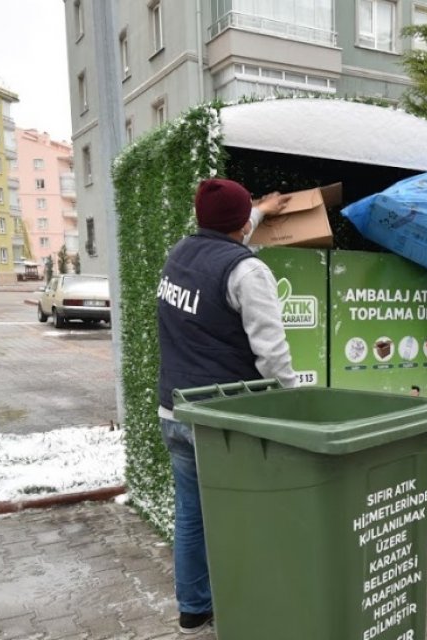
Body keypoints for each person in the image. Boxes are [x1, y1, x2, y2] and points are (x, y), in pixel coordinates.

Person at [156, 178, 296, 635]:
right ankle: (249, 605)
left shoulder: (179, 254)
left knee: (192, 514)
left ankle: (194, 610)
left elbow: (227, 233)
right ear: (239, 224)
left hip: (175, 411)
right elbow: (271, 354)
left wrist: (260, 210)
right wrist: (295, 403)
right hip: (222, 421)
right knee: (243, 515)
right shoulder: (247, 271)